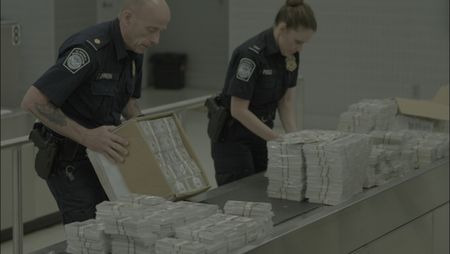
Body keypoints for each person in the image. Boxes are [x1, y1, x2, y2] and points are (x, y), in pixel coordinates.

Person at [21, 0, 171, 224]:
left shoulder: (135, 49)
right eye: (151, 30)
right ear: (128, 18)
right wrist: (87, 136)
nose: (156, 40)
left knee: (113, 224)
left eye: (161, 31)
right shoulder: (89, 50)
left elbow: (129, 102)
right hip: (70, 160)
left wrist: (149, 134)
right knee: (88, 230)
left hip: (106, 157)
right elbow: (33, 102)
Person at [210, 0, 317, 186]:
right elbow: (238, 110)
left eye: (304, 44)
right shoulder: (251, 55)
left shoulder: (290, 55)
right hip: (234, 138)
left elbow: (286, 102)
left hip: (261, 133)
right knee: (240, 195)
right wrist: (277, 139)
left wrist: (294, 138)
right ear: (282, 29)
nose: (300, 48)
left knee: (263, 190)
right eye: (298, 42)